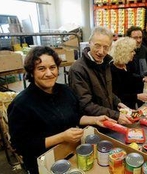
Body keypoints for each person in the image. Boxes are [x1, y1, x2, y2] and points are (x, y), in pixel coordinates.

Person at [7, 46, 115, 174]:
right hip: (43, 163)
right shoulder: (21, 104)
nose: (49, 73)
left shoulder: (65, 91)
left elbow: (75, 116)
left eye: (52, 67)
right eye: (41, 69)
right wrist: (62, 137)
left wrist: (95, 119)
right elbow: (21, 145)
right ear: (31, 72)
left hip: (70, 153)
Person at [68, 26, 132, 125]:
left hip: (108, 120)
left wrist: (118, 102)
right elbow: (85, 105)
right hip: (92, 126)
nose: (101, 52)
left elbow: (106, 91)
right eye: (97, 45)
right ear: (89, 42)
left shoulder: (106, 63)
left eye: (106, 47)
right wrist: (115, 115)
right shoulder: (78, 69)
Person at [110, 37, 147, 109]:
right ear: (124, 53)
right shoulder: (112, 70)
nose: (134, 53)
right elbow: (116, 95)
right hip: (121, 108)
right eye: (132, 51)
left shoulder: (128, 64)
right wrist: (137, 96)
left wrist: (143, 79)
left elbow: (130, 77)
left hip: (131, 105)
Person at [125, 26, 147, 107]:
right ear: (128, 38)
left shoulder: (144, 49)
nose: (139, 40)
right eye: (135, 38)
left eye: (140, 37)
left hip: (144, 87)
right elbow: (126, 74)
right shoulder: (125, 52)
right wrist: (142, 78)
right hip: (130, 91)